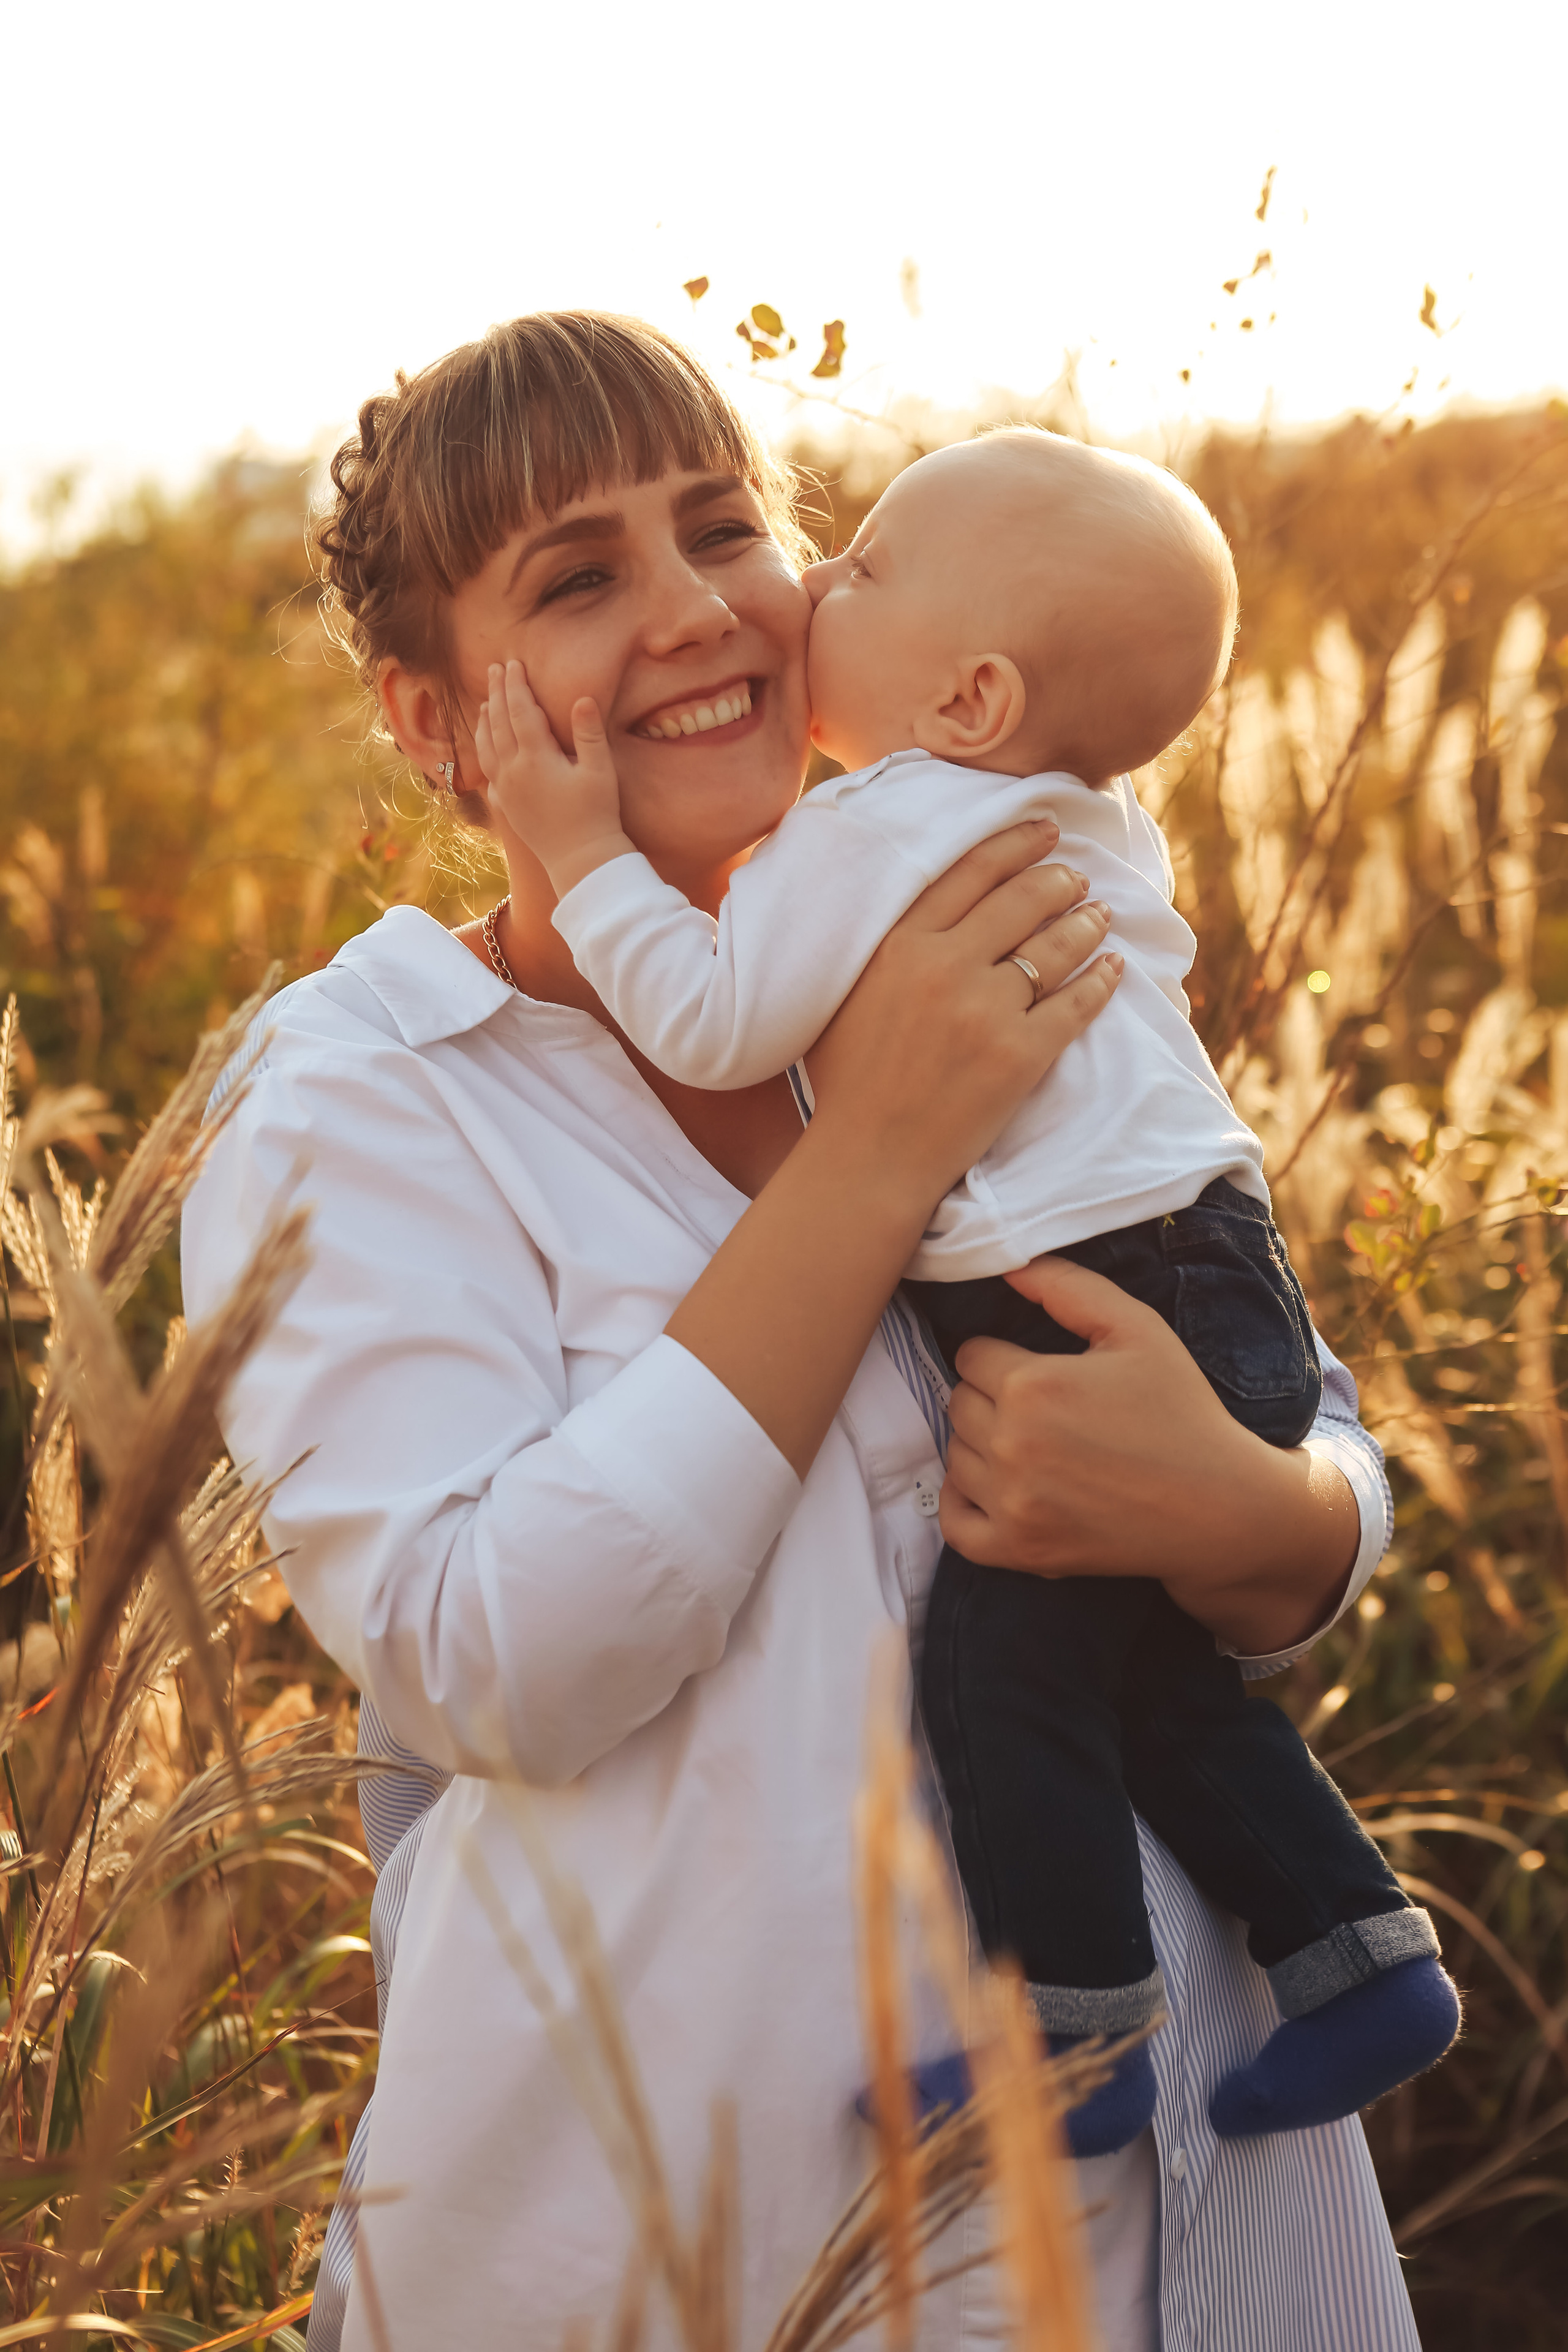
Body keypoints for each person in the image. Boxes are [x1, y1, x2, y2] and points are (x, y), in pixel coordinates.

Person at [181, 312, 1419, 2352]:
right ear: (428, 718)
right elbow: (497, 1659)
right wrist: (877, 1165)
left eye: (724, 528)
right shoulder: (365, 1090)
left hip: (1210, 2203)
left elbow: (1270, 1392)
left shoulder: (968, 886)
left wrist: (1266, 1515)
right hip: (734, 2247)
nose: (696, 613)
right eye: (578, 581)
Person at [469, 426, 1459, 2160]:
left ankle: (1073, 2041)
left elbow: (714, 1018)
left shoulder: (881, 831)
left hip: (1093, 1287)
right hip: (1214, 1265)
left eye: (845, 569)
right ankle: (1358, 1950)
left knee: (1004, 1673)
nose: (790, 599)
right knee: (1138, 1673)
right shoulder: (1074, 816)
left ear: (973, 696)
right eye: (585, 575)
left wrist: (584, 857)